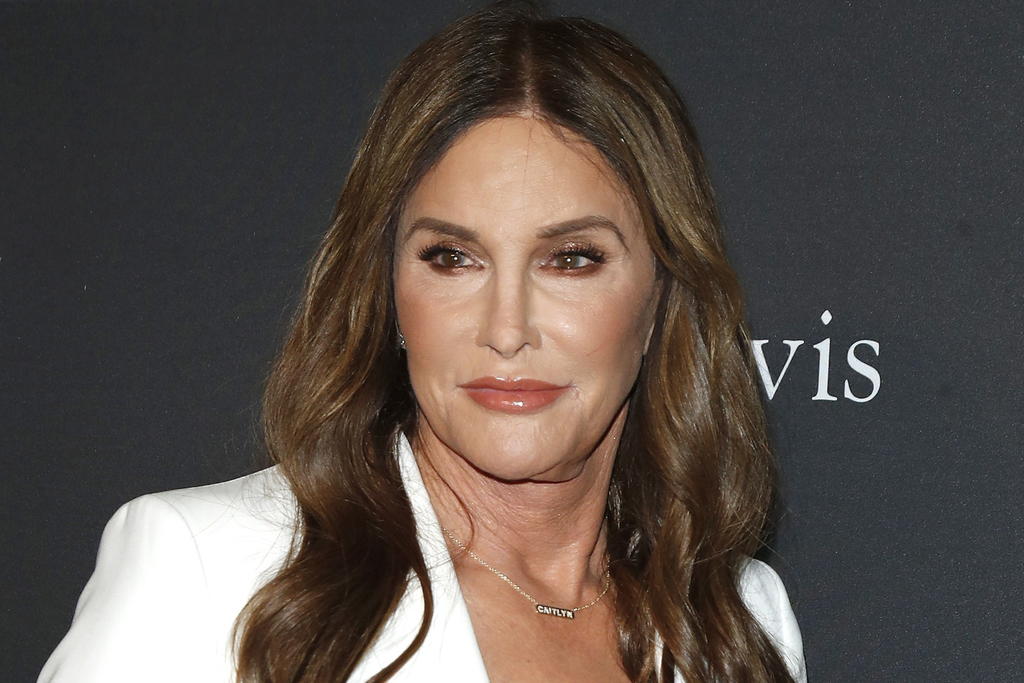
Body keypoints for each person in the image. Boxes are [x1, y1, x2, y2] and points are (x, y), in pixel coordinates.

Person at [39, 1, 807, 681]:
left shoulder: (738, 620)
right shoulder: (210, 571)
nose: (506, 329)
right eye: (452, 258)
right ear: (388, 290)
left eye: (571, 259)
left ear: (662, 292)